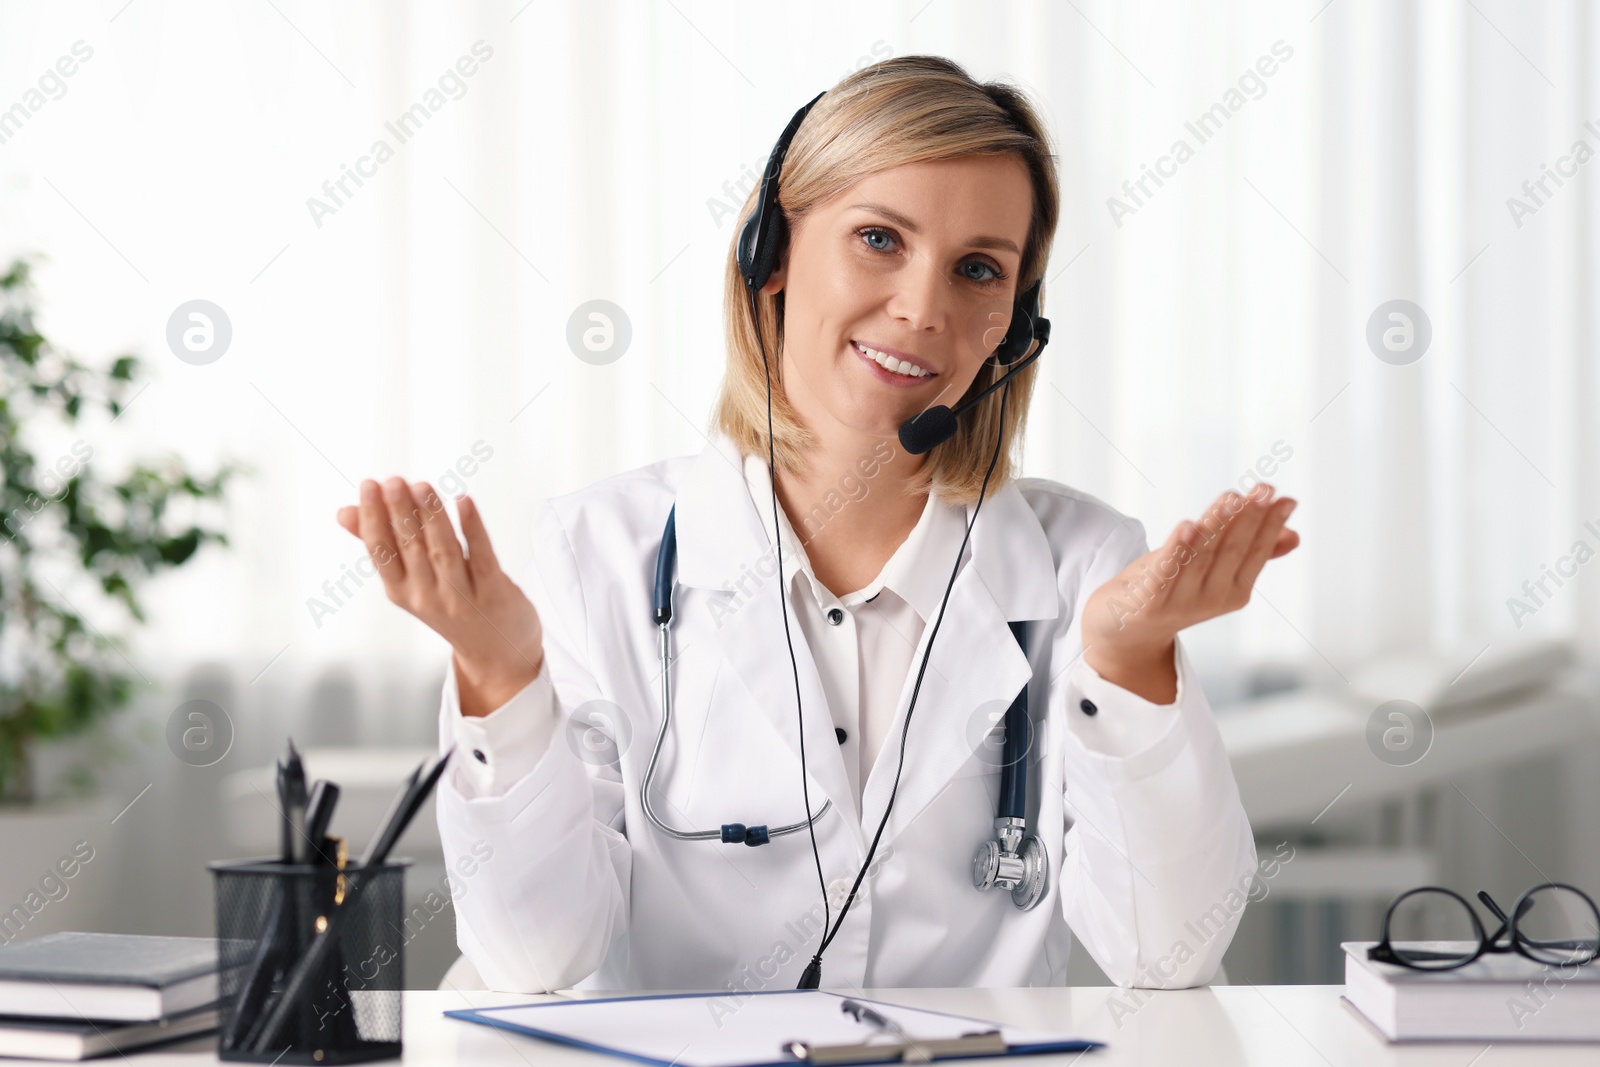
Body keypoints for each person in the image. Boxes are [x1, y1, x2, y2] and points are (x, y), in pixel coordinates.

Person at [337, 55, 1299, 994]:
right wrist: (502, 683)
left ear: (1017, 325)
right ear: (772, 256)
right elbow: (533, 959)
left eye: (978, 269)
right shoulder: (592, 557)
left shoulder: (1087, 568)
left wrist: (1129, 666)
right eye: (880, 238)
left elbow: (1167, 956)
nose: (924, 308)